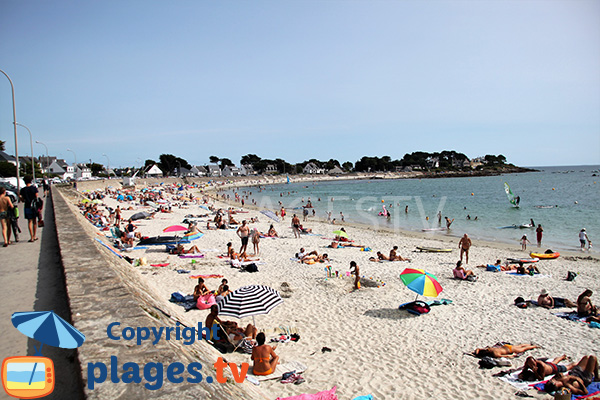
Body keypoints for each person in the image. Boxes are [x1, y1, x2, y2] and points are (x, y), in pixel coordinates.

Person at [19, 175, 39, 242]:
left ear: (24, 181)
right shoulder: (34, 188)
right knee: (34, 221)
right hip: (34, 206)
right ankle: (35, 235)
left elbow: (22, 200)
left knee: (29, 221)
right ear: (31, 180)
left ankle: (31, 237)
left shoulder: (23, 190)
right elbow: (36, 196)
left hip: (27, 206)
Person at [473, 343, 539, 358]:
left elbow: (506, 356)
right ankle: (529, 344)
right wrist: (476, 353)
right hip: (505, 346)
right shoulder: (489, 349)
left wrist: (512, 355)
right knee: (520, 346)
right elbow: (478, 349)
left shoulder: (495, 354)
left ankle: (535, 346)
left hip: (510, 350)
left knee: (523, 349)